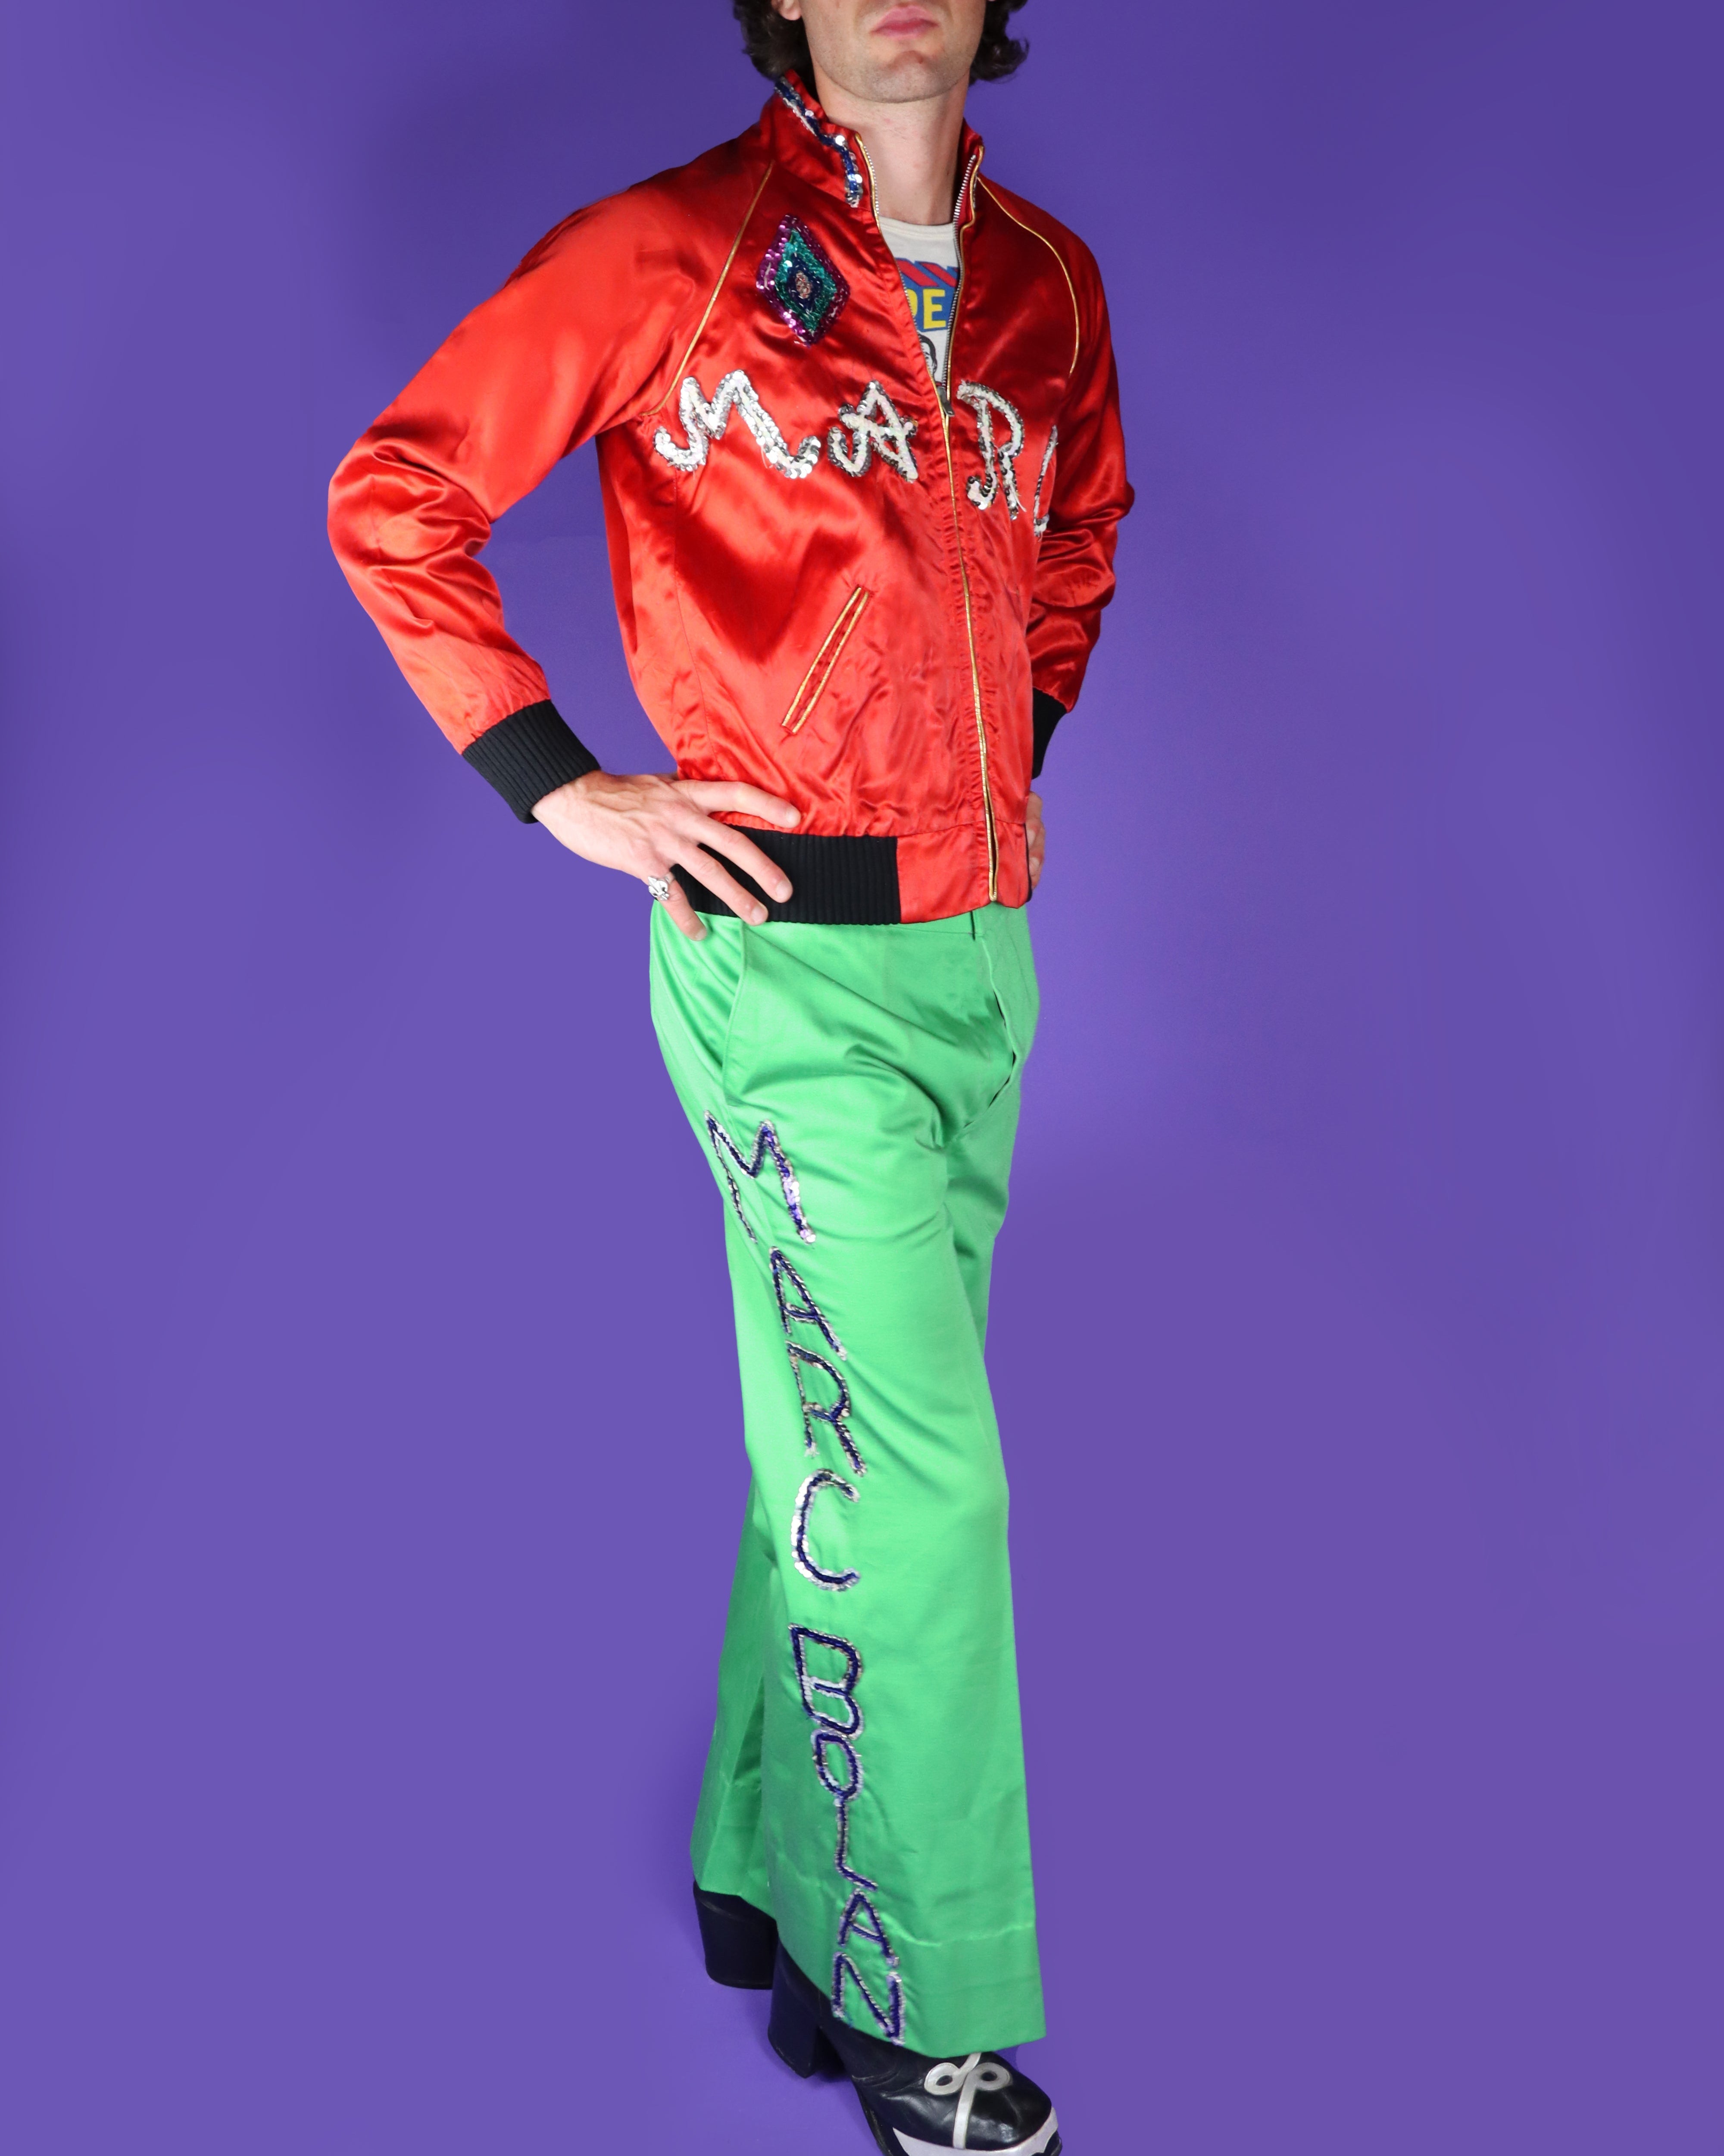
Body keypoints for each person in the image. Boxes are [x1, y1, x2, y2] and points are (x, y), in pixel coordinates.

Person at [328, 0, 1129, 2145]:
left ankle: (765, 1870)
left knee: (851, 1454)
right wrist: (555, 782)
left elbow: (1076, 542)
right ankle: (914, 1999)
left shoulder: (1045, 284)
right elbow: (399, 491)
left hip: (983, 955)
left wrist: (1000, 760)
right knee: (925, 1489)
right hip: (785, 972)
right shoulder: (675, 250)